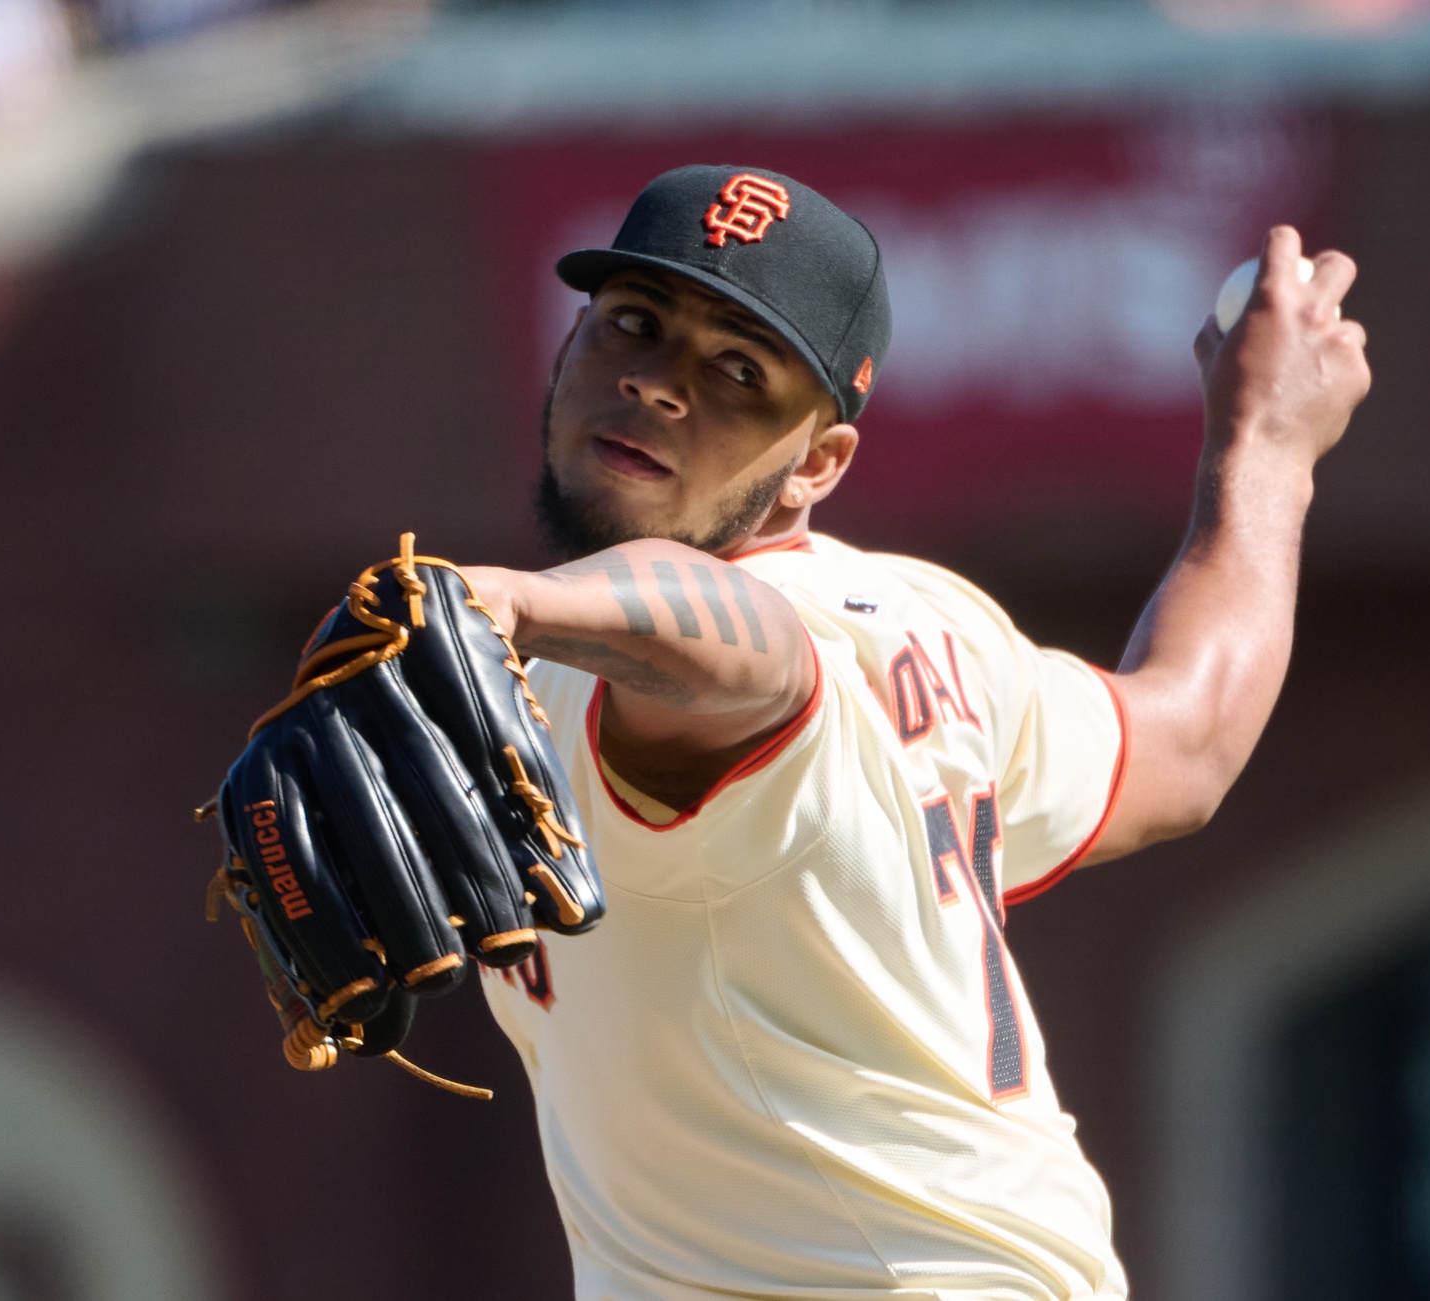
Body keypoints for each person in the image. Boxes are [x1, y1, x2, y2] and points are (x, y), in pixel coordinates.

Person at [458, 164, 1370, 1301]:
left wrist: (512, 598)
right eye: (633, 324)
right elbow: (1183, 741)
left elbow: (749, 649)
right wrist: (1269, 447)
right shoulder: (934, 625)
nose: (657, 384)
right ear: (565, 351)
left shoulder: (729, 641)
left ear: (817, 463)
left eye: (739, 370)